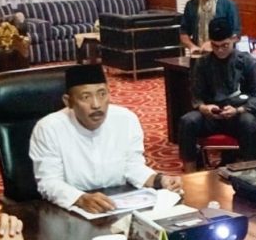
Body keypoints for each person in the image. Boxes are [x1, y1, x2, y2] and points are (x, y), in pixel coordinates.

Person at [30, 64, 182, 214]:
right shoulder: (48, 128)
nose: (96, 105)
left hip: (117, 205)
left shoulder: (126, 119)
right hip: (71, 210)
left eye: (102, 94)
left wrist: (159, 180)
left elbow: (132, 166)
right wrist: (81, 199)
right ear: (68, 101)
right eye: (86, 97)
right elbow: (49, 182)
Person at [179, 18, 256, 173]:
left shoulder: (247, 61)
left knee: (249, 122)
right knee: (187, 121)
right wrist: (203, 107)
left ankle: (250, 173)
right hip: (211, 116)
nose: (220, 50)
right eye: (215, 46)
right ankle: (190, 173)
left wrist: (239, 110)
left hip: (237, 114)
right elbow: (196, 94)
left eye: (224, 45)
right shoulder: (203, 63)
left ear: (233, 39)